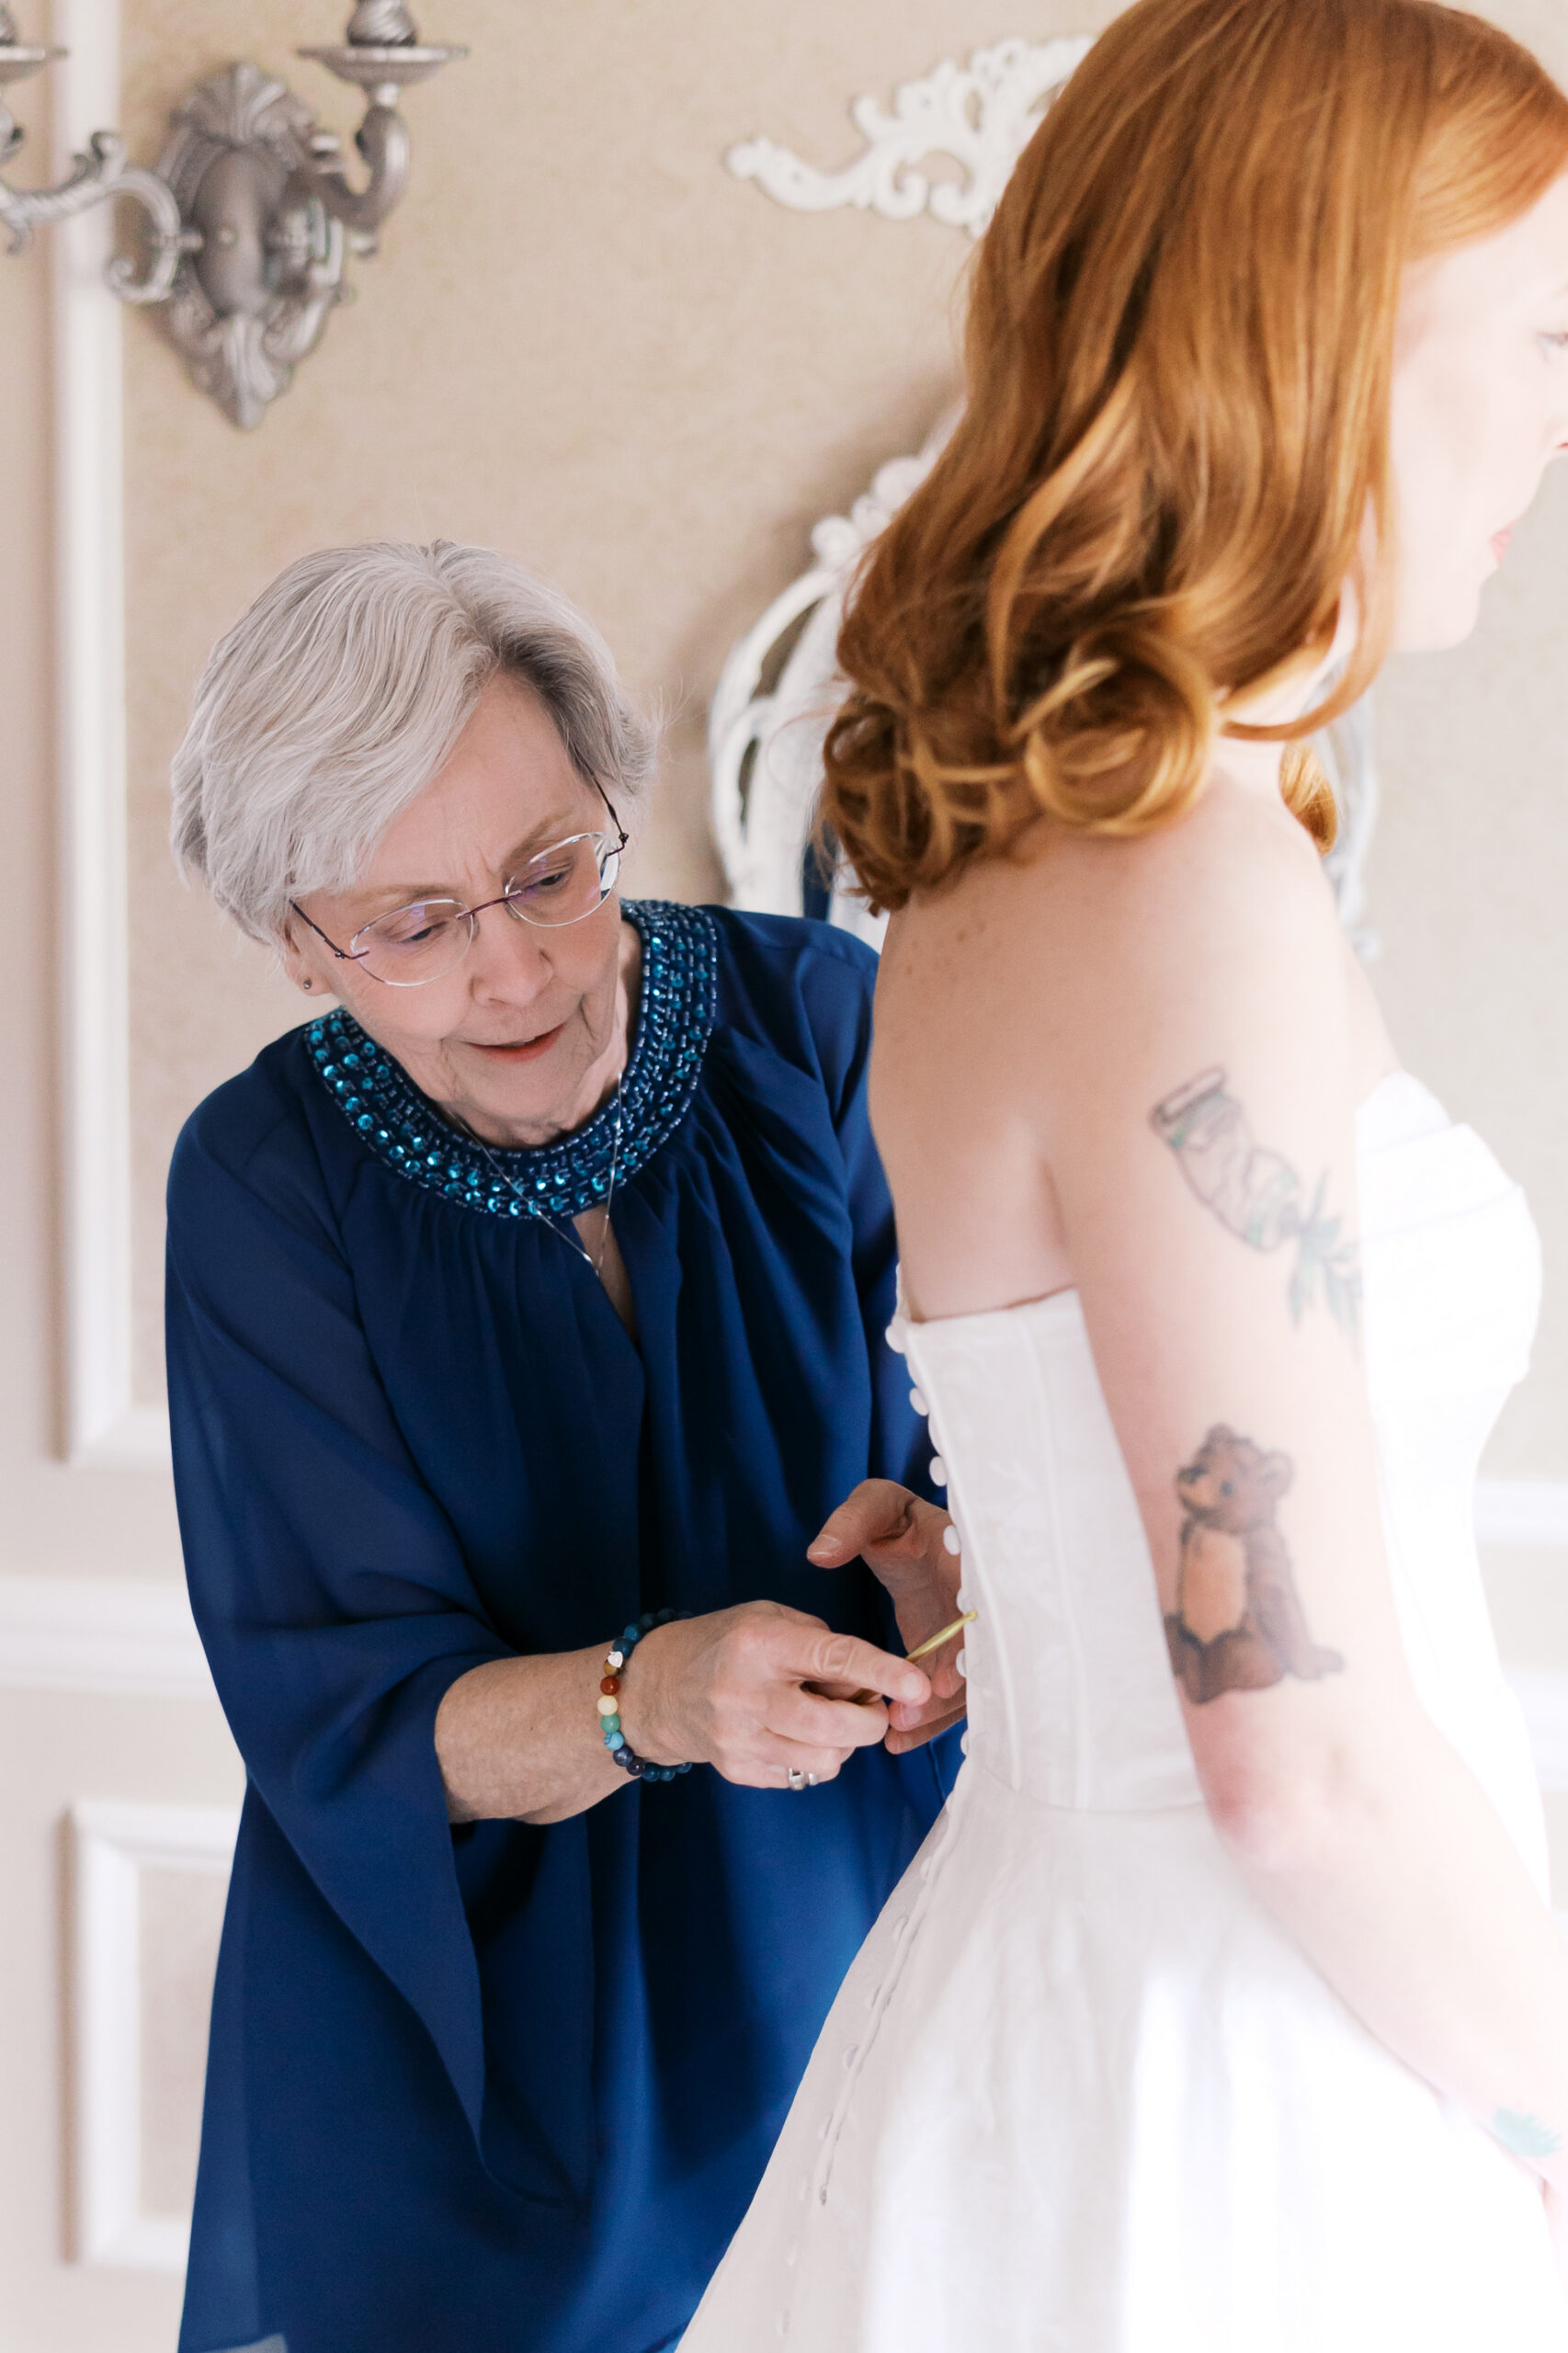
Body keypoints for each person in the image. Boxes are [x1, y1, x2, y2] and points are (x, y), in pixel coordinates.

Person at [682, 2, 1568, 2347]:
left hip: (1144, 1998)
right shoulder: (1186, 890)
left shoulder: (1043, 866)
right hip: (1251, 2065)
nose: (1562, 417)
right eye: (1540, 331)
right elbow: (1290, 1755)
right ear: (1328, 337)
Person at [162, 540, 968, 2353]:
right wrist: (650, 1693)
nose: (512, 963)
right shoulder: (259, 1187)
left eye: (545, 870)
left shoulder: (815, 1021)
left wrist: (950, 1570)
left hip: (841, 1944)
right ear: (298, 938)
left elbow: (985, 1454)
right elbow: (353, 1715)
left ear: (614, 803)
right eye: (413, 920)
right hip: (470, 2041)